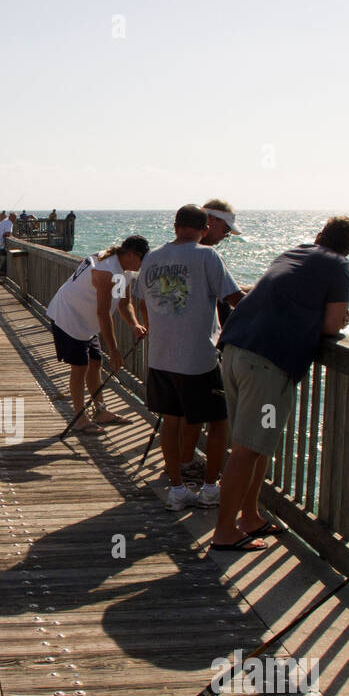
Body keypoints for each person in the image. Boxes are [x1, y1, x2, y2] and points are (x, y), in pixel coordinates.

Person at [211, 215, 349, 551]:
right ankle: (224, 533)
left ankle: (249, 516)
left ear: (320, 234)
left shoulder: (294, 253)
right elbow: (331, 327)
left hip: (235, 349)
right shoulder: (339, 267)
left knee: (255, 445)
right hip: (268, 362)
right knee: (246, 450)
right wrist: (337, 318)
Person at [131, 204, 244, 512]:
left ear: (175, 225)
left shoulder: (152, 257)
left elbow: (140, 297)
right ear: (205, 228)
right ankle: (209, 489)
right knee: (219, 422)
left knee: (171, 420)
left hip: (160, 356)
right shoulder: (207, 256)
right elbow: (234, 299)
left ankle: (178, 489)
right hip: (198, 358)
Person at [46, 235, 149, 432]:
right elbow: (103, 313)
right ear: (131, 254)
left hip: (87, 322)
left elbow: (123, 303)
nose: (143, 264)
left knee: (96, 363)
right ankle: (79, 418)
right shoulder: (107, 270)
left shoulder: (124, 270)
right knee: (80, 367)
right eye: (142, 259)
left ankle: (100, 411)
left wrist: (135, 324)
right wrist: (115, 349)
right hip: (69, 316)